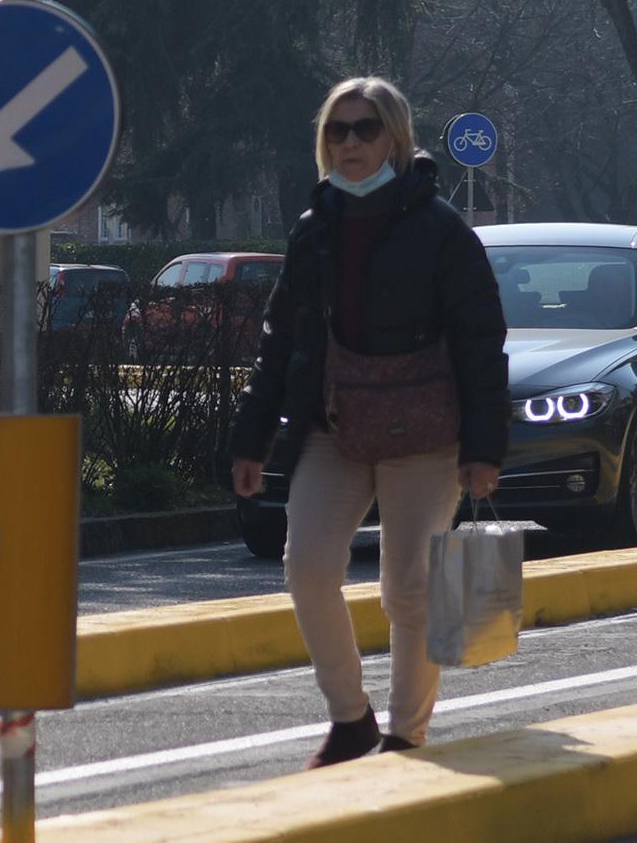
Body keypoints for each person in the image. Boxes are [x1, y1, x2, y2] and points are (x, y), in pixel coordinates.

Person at [227, 76, 509, 768]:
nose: (350, 143)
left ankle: (407, 734)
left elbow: (481, 342)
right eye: (337, 130)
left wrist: (483, 448)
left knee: (409, 584)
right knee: (308, 567)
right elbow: (282, 339)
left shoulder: (442, 228)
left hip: (426, 436)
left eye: (366, 128)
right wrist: (251, 438)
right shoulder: (314, 228)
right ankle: (351, 717)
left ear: (395, 137)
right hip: (335, 428)